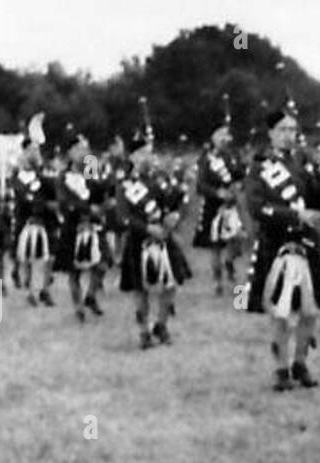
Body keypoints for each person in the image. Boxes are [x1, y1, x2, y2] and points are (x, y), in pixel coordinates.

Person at [243, 105, 320, 391]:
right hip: (275, 242)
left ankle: (300, 363)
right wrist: (295, 215)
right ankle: (281, 370)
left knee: (310, 311)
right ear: (271, 133)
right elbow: (256, 207)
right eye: (283, 130)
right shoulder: (259, 167)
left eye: (292, 130)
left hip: (306, 242)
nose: (289, 135)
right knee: (281, 312)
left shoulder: (302, 162)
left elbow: (316, 192)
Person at [116, 131, 192, 349]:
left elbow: (170, 203)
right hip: (139, 241)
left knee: (172, 283)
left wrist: (175, 212)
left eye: (149, 153)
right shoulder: (124, 185)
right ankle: (143, 332)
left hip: (163, 239)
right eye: (142, 154)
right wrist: (147, 227)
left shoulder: (159, 180)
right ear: (132, 157)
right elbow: (122, 217)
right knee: (141, 290)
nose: (148, 158)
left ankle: (161, 324)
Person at [54, 131, 108, 322]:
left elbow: (100, 191)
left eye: (84, 148)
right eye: (78, 149)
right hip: (73, 225)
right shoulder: (63, 177)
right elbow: (64, 201)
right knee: (74, 271)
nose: (82, 152)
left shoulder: (90, 170)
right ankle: (78, 307)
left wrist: (96, 167)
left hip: (93, 224)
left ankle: (91, 296)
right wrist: (86, 208)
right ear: (69, 153)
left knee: (102, 265)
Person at [192, 120, 247, 296]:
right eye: (220, 135)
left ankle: (230, 263)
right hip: (212, 207)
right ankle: (218, 282)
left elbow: (241, 176)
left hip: (232, 206)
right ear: (213, 137)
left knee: (237, 241)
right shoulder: (205, 159)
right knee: (215, 247)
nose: (225, 138)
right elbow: (200, 185)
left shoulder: (233, 155)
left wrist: (239, 184)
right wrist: (218, 193)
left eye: (226, 135)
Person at [11, 138, 59, 307]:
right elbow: (22, 197)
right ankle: (29, 290)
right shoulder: (17, 177)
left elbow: (53, 191)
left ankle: (45, 289)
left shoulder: (43, 174)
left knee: (49, 256)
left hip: (46, 220)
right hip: (25, 221)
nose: (35, 153)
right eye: (31, 150)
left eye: (37, 150)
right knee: (27, 256)